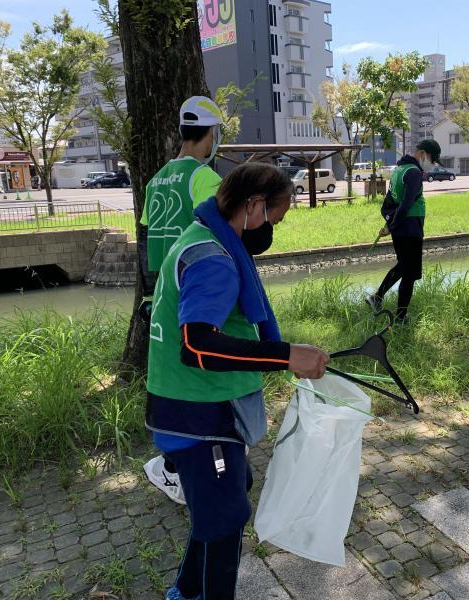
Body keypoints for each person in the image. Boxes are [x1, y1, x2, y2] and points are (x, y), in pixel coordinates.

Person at [146, 162, 329, 600]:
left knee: (225, 499)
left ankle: (186, 591)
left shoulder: (205, 238)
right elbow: (199, 345)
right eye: (274, 219)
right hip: (196, 414)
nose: (272, 231)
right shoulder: (214, 260)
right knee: (225, 520)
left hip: (193, 407)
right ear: (252, 206)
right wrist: (286, 356)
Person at [139, 96, 224, 504]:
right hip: (193, 290)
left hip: (160, 294)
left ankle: (176, 464)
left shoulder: (157, 179)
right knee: (196, 379)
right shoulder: (204, 178)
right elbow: (224, 236)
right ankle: (176, 469)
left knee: (173, 378)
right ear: (209, 135)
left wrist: (147, 294)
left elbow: (145, 235)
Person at [366, 139, 441, 322]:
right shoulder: (414, 172)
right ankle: (379, 298)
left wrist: (390, 224)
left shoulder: (399, 170)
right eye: (432, 159)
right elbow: (406, 205)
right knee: (408, 270)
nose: (432, 164)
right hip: (410, 228)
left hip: (401, 228)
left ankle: (399, 315)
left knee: (407, 271)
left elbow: (390, 203)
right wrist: (391, 227)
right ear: (422, 153)